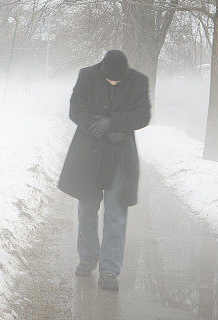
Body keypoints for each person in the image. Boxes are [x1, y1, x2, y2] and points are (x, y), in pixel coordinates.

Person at [57, 49, 151, 291]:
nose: (113, 82)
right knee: (87, 210)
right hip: (89, 156)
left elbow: (143, 116)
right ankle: (88, 257)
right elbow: (75, 109)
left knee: (116, 215)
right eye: (110, 79)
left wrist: (114, 122)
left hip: (120, 159)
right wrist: (99, 126)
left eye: (117, 80)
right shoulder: (87, 76)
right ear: (102, 70)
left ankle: (110, 269)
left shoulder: (139, 81)